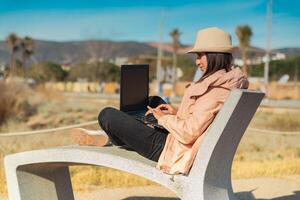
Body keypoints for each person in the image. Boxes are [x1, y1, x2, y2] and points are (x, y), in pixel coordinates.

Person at [71, 27, 249, 175]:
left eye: (200, 55)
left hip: (171, 149)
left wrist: (163, 119)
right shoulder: (227, 82)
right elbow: (201, 120)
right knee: (153, 101)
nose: (197, 62)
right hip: (180, 142)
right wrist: (175, 113)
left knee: (107, 115)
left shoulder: (216, 90)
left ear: (214, 55)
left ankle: (113, 136)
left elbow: (189, 132)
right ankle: (121, 132)